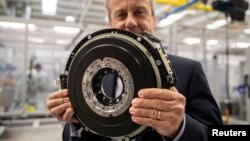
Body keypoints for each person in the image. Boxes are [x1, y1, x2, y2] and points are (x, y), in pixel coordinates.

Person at [46, 0, 223, 141]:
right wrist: (78, 123)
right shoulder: (96, 80)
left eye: (139, 12)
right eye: (121, 14)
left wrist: (180, 127)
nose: (130, 22)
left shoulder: (189, 71)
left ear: (153, 19)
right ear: (111, 23)